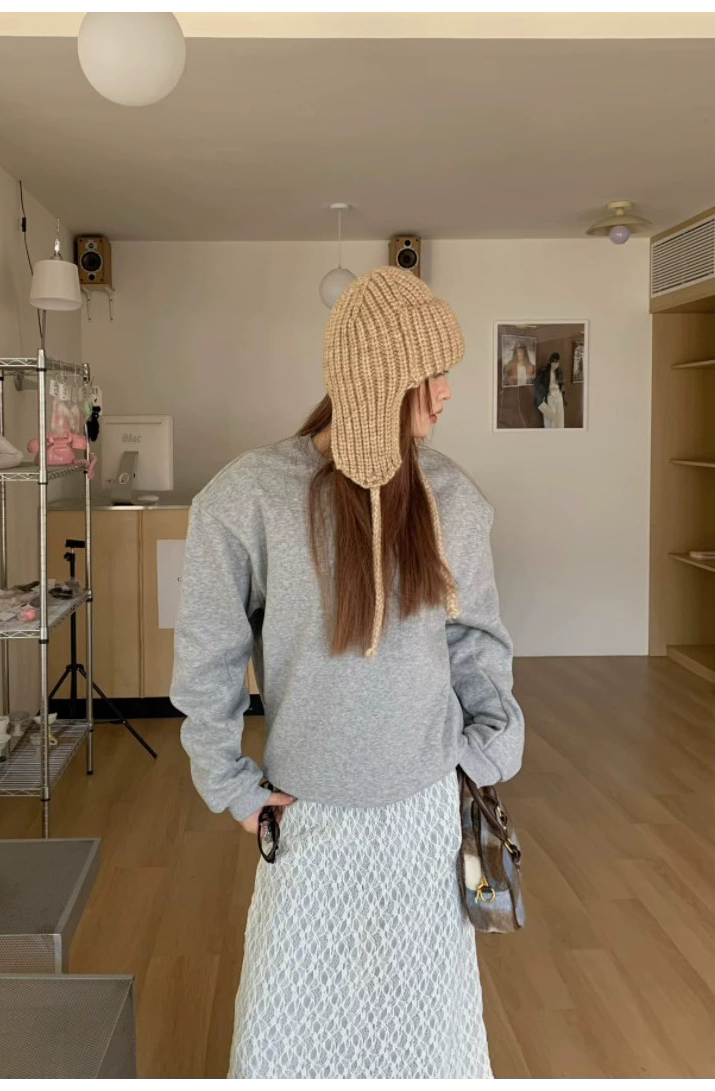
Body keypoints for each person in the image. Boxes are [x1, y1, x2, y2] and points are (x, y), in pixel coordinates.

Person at [171, 266, 525, 1079]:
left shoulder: (452, 499)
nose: (446, 393)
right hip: (306, 819)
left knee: (425, 1040)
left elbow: (477, 644)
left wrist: (483, 752)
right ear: (378, 379)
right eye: (429, 374)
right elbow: (208, 659)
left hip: (425, 815)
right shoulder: (247, 496)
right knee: (288, 1035)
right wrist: (232, 787)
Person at [534, 351, 566, 428]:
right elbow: (536, 382)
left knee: (559, 417)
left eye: (557, 363)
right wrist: (545, 390)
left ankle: (560, 433)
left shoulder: (560, 371)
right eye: (554, 363)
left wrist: (562, 390)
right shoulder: (544, 371)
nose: (555, 365)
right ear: (550, 362)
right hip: (549, 396)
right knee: (550, 419)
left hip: (558, 396)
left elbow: (562, 384)